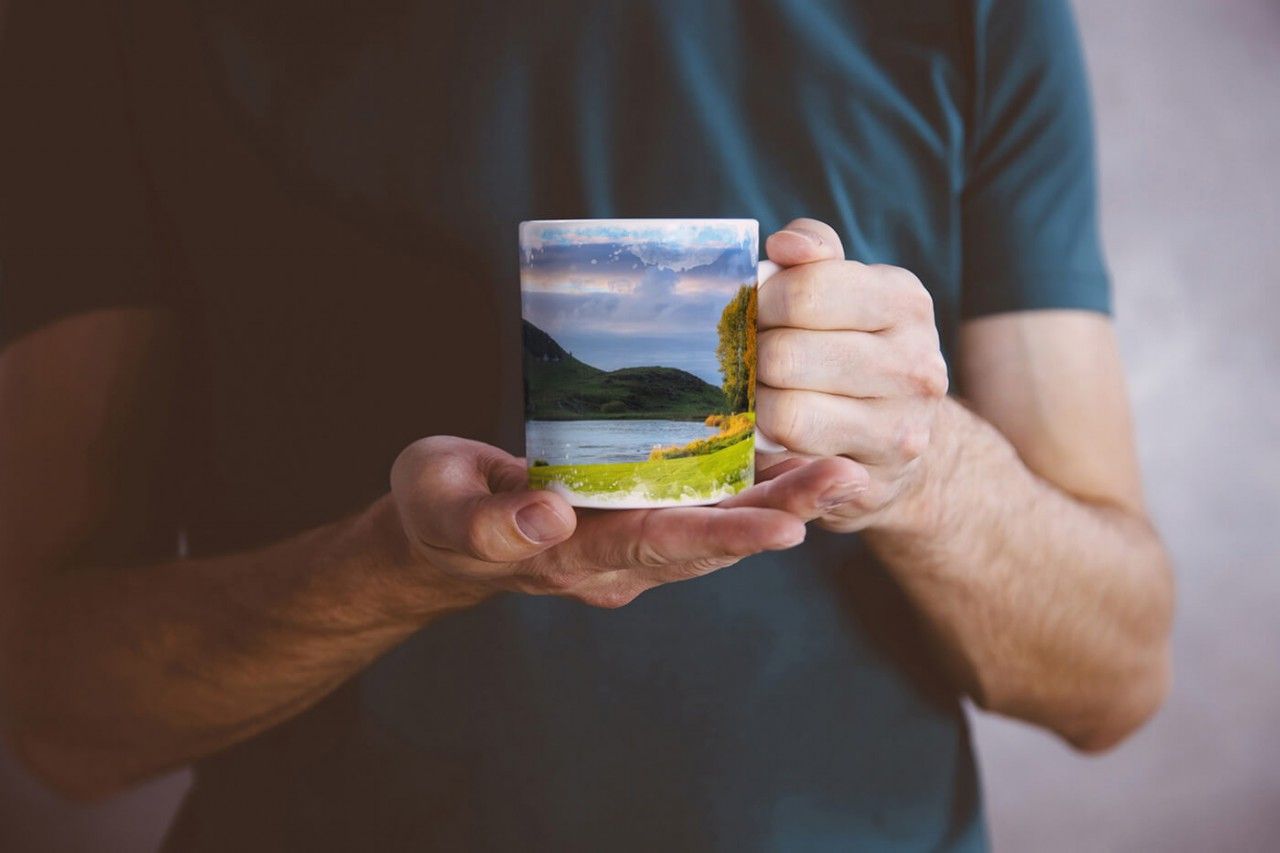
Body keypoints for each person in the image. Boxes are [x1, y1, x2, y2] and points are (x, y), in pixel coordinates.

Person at [0, 0, 1173, 849]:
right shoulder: (114, 26)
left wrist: (927, 473)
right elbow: (56, 721)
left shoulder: (977, 13)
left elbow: (1111, 680)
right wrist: (391, 570)